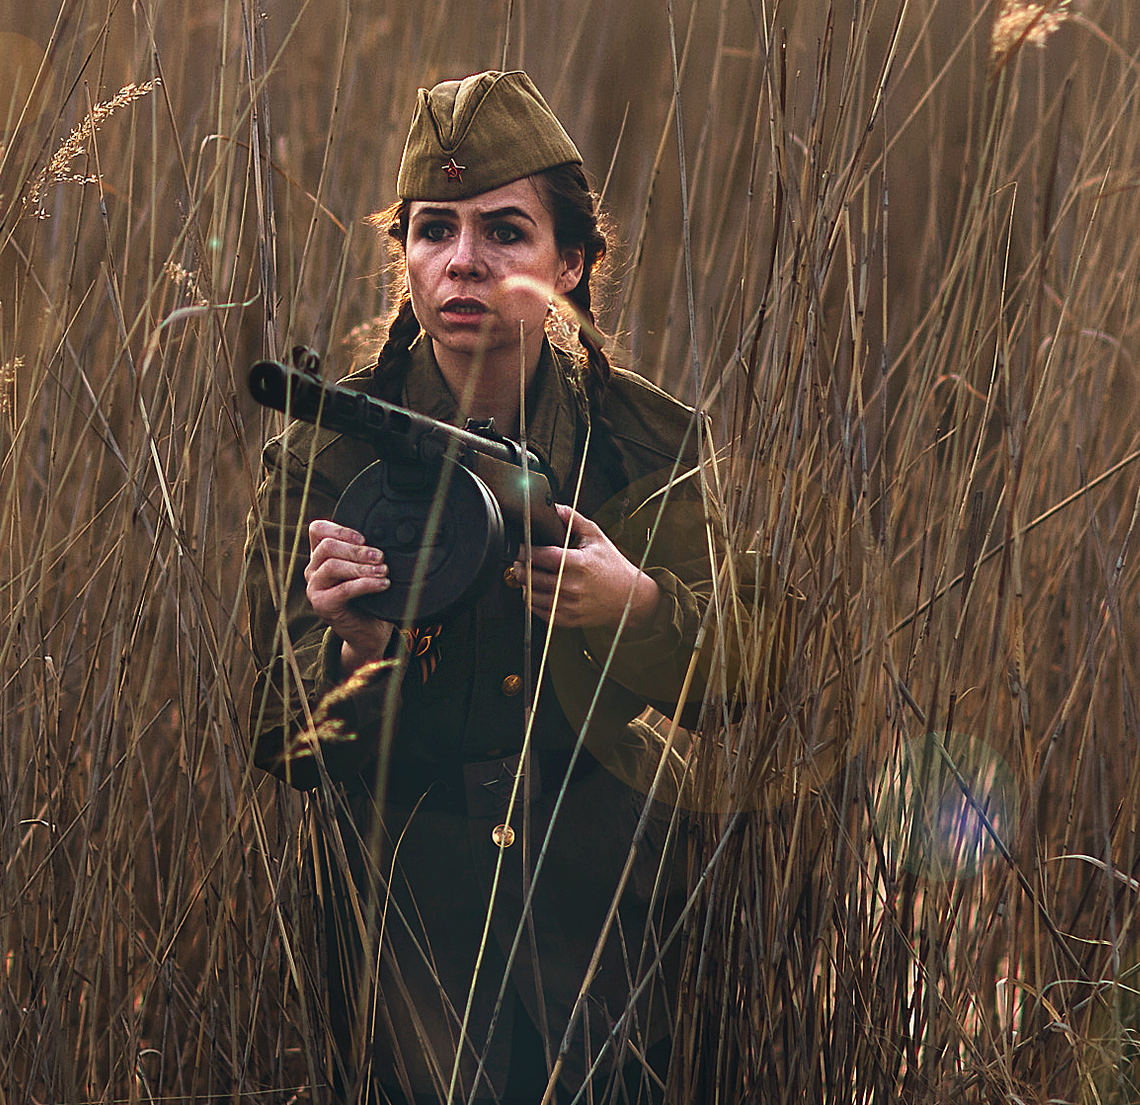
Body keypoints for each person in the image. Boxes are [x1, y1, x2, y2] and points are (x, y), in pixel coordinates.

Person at [243, 71, 769, 1103]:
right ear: (404, 257)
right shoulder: (330, 452)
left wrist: (641, 610)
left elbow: (744, 672)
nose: (463, 262)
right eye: (433, 231)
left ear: (569, 264)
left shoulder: (644, 445)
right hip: (406, 907)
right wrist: (354, 649)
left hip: (609, 894)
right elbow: (277, 726)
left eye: (505, 232)